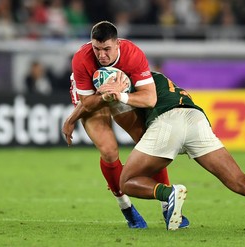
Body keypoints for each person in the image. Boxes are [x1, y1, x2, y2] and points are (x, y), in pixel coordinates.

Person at [99, 70, 245, 232]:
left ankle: (169, 193)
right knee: (240, 180)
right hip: (196, 119)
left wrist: (111, 100)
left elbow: (137, 130)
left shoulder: (132, 82)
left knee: (126, 181)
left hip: (168, 122)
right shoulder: (157, 78)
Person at [64, 20, 189, 229]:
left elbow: (149, 98)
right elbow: (87, 103)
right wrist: (95, 102)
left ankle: (168, 206)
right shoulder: (81, 59)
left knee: (147, 142)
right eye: (96, 49)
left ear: (117, 45)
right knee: (109, 150)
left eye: (106, 49)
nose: (101, 55)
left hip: (118, 94)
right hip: (94, 100)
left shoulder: (132, 54)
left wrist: (117, 94)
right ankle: (127, 208)